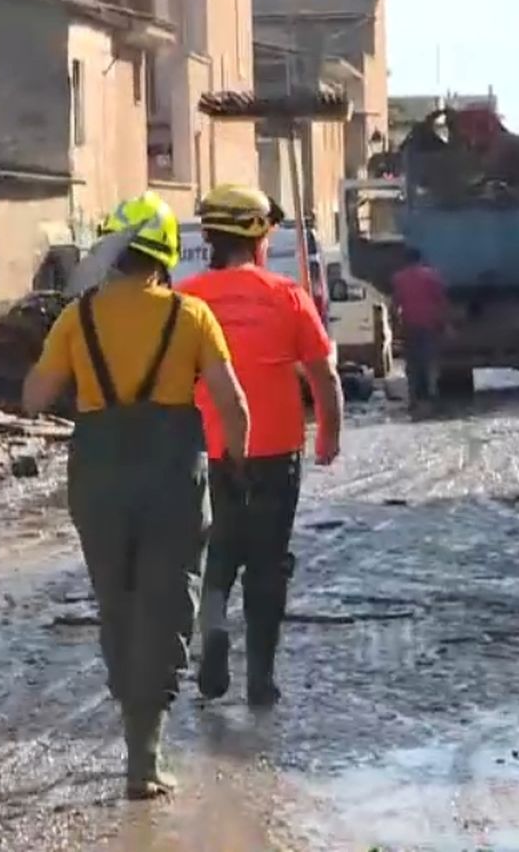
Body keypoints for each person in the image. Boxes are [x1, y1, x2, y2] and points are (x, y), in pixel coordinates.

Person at [23, 191, 250, 800]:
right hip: (173, 473)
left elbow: (33, 398)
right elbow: (232, 403)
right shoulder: (191, 316)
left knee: (117, 601)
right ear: (166, 253)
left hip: (97, 474)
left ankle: (135, 729)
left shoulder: (79, 318)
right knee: (169, 602)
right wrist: (234, 463)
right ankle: (143, 758)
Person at [175, 184, 344, 708]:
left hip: (208, 451)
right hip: (274, 451)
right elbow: (324, 374)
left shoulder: (189, 300)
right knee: (267, 562)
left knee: (219, 549)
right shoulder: (287, 295)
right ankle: (261, 678)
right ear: (260, 238)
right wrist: (329, 439)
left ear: (209, 239)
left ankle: (213, 634)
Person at [390, 247, 448, 414]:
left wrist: (396, 326)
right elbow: (441, 302)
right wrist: (444, 324)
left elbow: (395, 304)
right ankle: (431, 394)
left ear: (406, 260)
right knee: (429, 361)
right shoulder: (432, 276)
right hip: (429, 326)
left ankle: (414, 398)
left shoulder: (399, 279)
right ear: (420, 259)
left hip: (410, 326)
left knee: (412, 364)